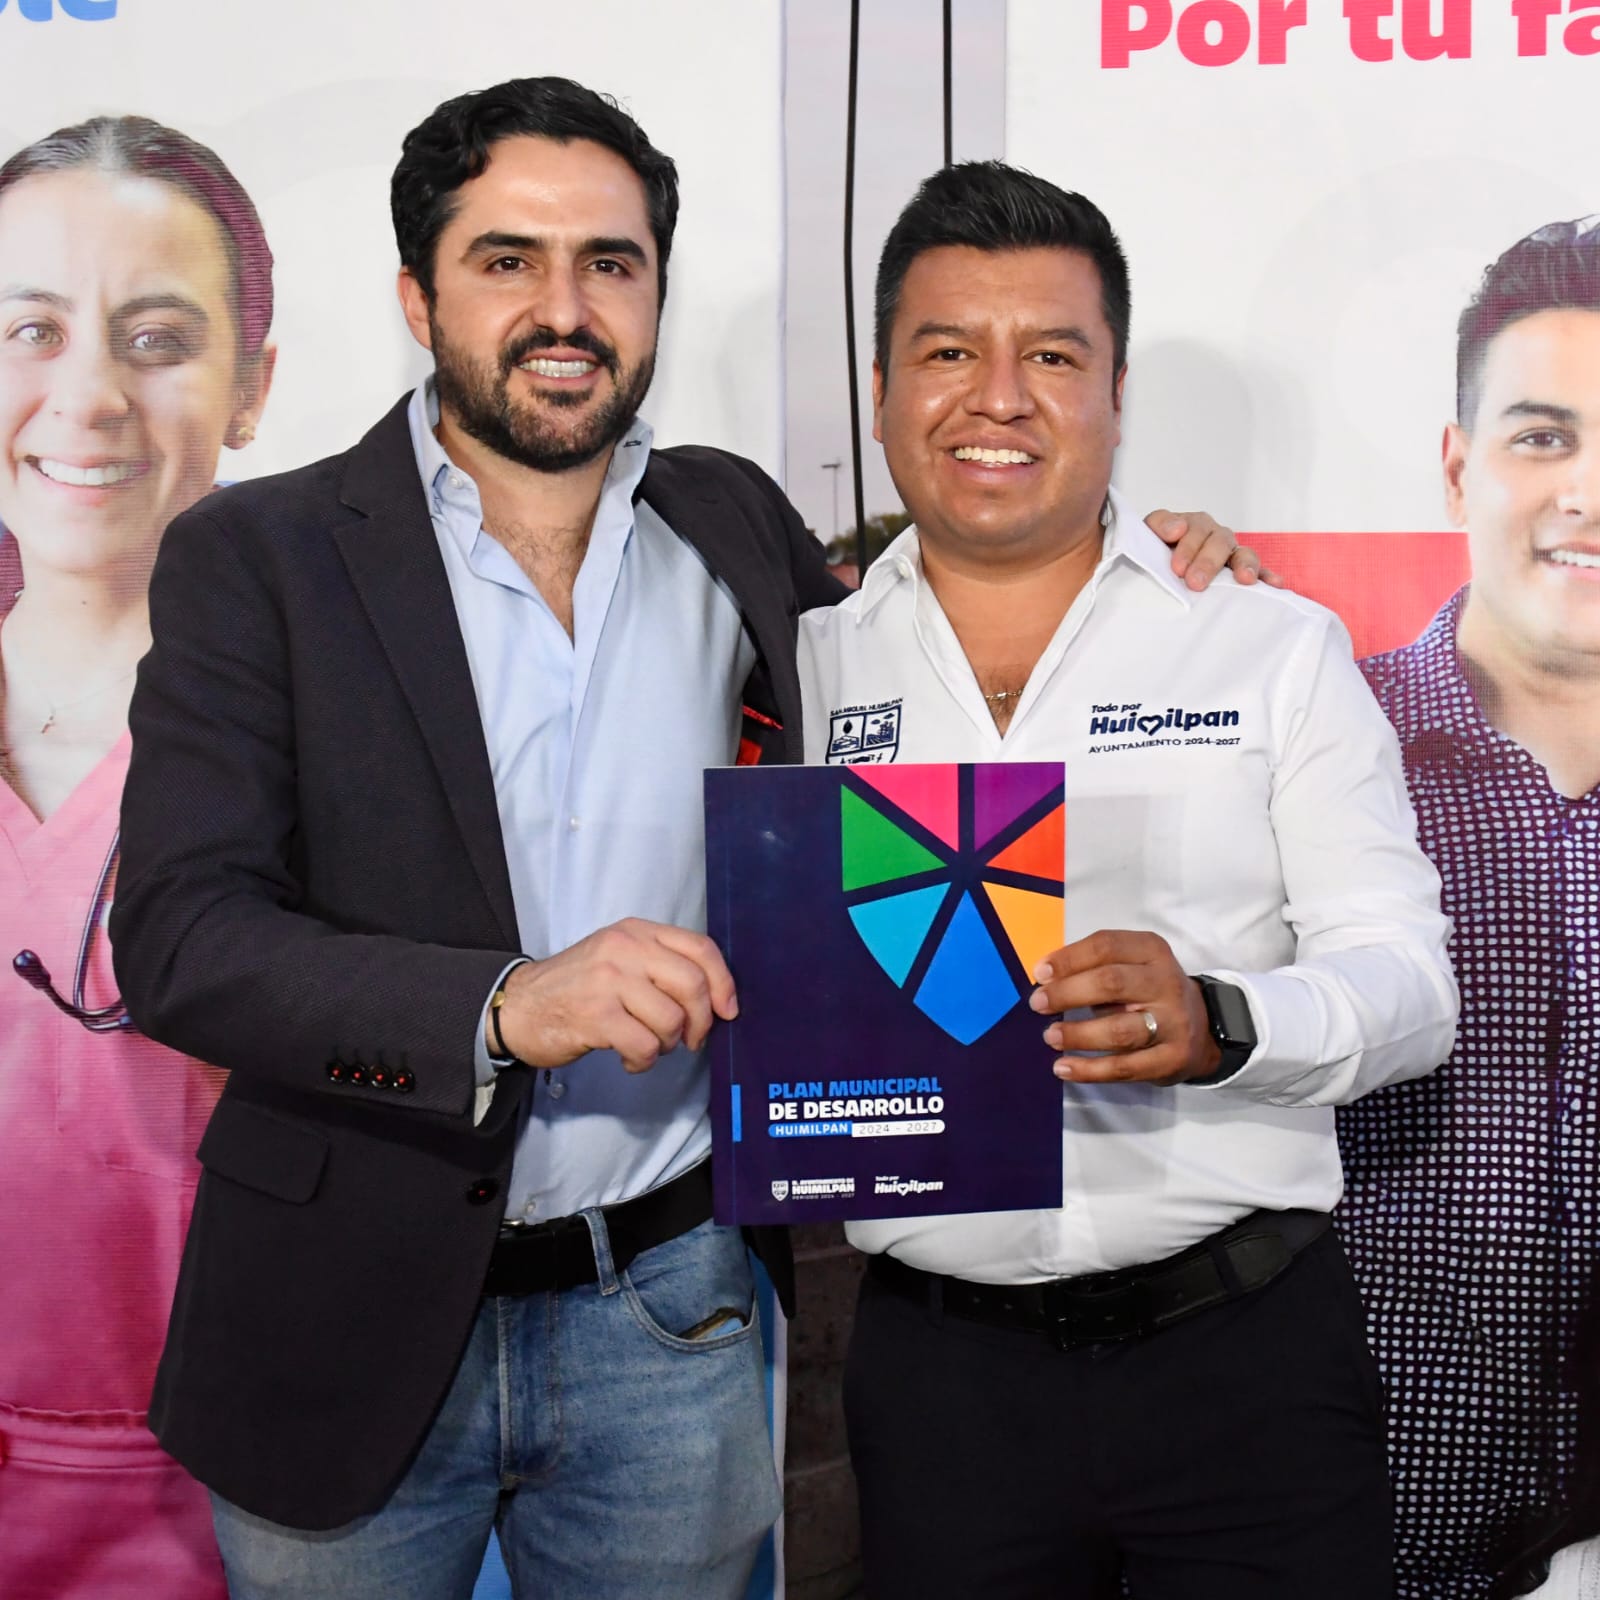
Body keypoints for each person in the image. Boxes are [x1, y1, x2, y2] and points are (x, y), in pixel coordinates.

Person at [109, 79, 1260, 1600]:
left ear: (656, 289)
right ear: (416, 296)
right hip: (345, 1314)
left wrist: (1142, 555)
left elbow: (939, 628)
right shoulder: (255, 555)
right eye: (508, 260)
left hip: (673, 1313)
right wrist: (504, 1006)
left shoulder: (734, 524)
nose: (565, 308)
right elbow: (182, 939)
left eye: (612, 262)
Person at [795, 161, 1461, 1600]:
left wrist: (1225, 1020)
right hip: (937, 1389)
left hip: (1246, 1368)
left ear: (1114, 394)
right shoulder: (799, 660)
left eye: (1052, 354)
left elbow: (1414, 986)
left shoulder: (1268, 645)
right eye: (948, 351)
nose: (998, 396)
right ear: (881, 388)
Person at [0, 115, 274, 1600]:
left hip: (254, 1507)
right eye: (30, 330)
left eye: (157, 339)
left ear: (253, 389)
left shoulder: (342, 742)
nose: (90, 396)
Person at [1336, 215, 1600, 1600]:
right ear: (1458, 466)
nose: (1587, 493)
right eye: (1544, 437)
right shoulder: (1322, 746)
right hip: (1351, 1521)